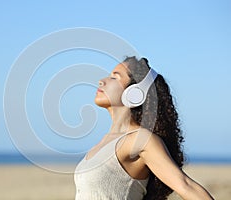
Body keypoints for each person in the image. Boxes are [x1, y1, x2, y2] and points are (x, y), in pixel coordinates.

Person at [74, 56, 214, 200]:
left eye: (115, 78)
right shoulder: (104, 141)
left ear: (134, 93)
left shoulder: (141, 140)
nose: (102, 81)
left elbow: (186, 186)